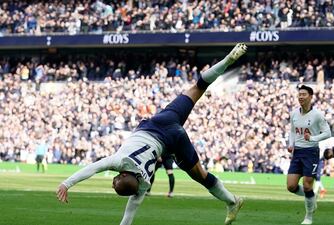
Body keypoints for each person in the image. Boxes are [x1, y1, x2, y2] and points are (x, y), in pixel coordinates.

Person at [56, 43, 247, 225]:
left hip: (172, 140)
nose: (112, 183)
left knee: (202, 177)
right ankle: (227, 60)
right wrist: (66, 184)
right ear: (122, 177)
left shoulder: (143, 184)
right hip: (162, 122)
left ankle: (231, 200)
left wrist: (67, 183)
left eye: (114, 184)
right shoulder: (118, 161)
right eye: (114, 184)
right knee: (198, 87)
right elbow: (92, 168)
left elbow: (128, 215)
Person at [287, 85, 331, 225]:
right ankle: (311, 197)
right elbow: (292, 131)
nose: (300, 97)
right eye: (299, 94)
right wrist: (291, 143)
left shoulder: (317, 115)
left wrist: (312, 138)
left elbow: (327, 133)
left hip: (311, 151)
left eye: (304, 94)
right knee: (291, 187)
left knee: (307, 185)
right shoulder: (294, 113)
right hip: (298, 151)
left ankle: (309, 217)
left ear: (310, 97)